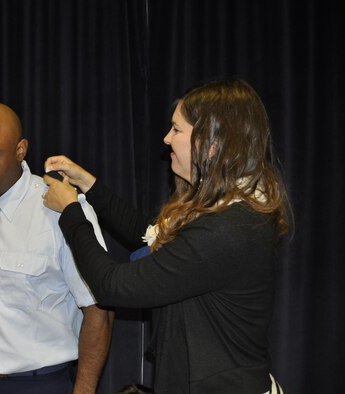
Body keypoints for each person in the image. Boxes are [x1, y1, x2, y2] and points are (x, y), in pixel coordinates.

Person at [42, 79, 290, 393]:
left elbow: (111, 286)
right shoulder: (222, 211)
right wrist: (89, 185)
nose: (166, 138)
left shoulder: (228, 229)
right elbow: (149, 234)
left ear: (211, 145)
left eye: (176, 130)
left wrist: (70, 212)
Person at [0, 101, 112, 394]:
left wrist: (84, 390)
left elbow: (98, 309)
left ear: (20, 150)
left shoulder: (59, 208)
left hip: (39, 382)